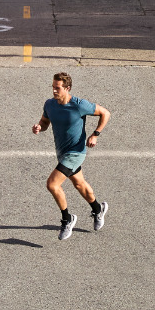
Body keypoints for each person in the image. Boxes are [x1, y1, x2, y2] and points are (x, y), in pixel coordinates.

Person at [32, 72, 109, 240]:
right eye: (53, 87)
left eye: (57, 88)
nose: (54, 91)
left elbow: (105, 113)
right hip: (61, 152)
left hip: (76, 152)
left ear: (67, 88)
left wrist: (95, 134)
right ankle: (98, 209)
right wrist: (39, 127)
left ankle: (67, 219)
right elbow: (45, 123)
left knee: (52, 185)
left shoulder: (79, 105)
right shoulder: (50, 104)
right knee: (79, 184)